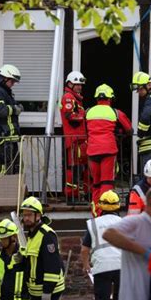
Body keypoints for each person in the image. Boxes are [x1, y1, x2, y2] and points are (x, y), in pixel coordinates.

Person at [20, 197, 77, 300]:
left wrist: (47, 291)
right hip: (36, 290)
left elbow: (52, 265)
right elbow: (33, 262)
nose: (25, 218)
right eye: (24, 215)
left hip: (47, 290)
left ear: (38, 216)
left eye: (29, 215)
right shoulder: (32, 235)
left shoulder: (46, 235)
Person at [81, 190, 123, 300]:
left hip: (101, 268)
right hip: (121, 266)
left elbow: (85, 250)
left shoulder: (94, 223)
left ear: (100, 207)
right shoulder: (123, 222)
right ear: (118, 206)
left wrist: (86, 265)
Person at [86, 84, 132, 216]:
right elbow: (129, 129)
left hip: (92, 150)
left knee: (96, 184)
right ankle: (105, 213)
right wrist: (120, 132)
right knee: (107, 183)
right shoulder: (115, 112)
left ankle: (95, 213)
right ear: (110, 98)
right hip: (108, 151)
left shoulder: (88, 112)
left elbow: (85, 130)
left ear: (97, 98)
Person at [0, 64, 23, 174]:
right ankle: (1, 191)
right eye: (12, 81)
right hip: (0, 139)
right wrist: (14, 109)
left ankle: (10, 190)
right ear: (4, 78)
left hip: (7, 139)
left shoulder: (4, 92)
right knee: (3, 170)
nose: (12, 84)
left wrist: (17, 106)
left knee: (13, 168)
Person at [60, 71, 89, 203]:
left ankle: (76, 194)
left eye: (81, 85)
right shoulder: (68, 97)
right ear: (70, 84)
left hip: (78, 140)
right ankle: (72, 196)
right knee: (73, 169)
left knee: (78, 168)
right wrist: (84, 114)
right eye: (77, 84)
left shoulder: (75, 98)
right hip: (73, 140)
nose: (79, 87)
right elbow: (70, 116)